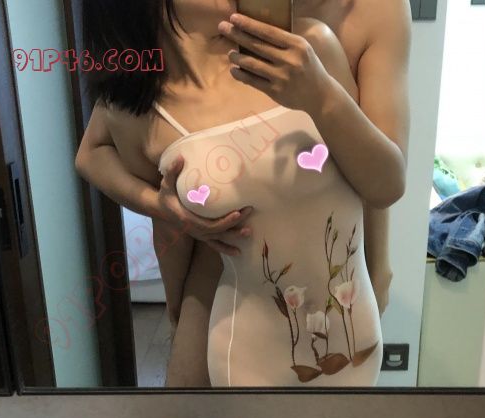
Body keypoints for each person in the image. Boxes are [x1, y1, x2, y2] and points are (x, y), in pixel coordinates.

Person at [76, 0, 410, 386]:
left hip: (349, 324)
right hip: (239, 328)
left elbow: (381, 181)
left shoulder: (312, 46)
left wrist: (379, 265)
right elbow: (94, 158)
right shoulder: (142, 106)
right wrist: (160, 211)